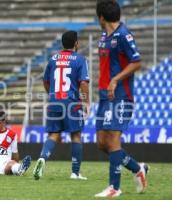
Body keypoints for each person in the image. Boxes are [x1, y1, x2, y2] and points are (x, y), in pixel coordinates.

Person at [94, 0, 149, 198]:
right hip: (104, 95)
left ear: (101, 17)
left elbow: (136, 62)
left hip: (120, 95)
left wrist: (115, 80)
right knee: (102, 143)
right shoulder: (103, 37)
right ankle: (137, 168)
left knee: (113, 139)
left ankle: (114, 187)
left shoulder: (124, 35)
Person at [32, 30, 90, 180]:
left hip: (55, 102)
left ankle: (42, 158)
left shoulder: (52, 59)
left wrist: (52, 95)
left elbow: (45, 82)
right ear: (76, 43)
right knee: (76, 135)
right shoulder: (80, 59)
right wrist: (86, 102)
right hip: (71, 103)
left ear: (62, 44)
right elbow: (83, 82)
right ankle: (75, 173)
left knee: (53, 135)